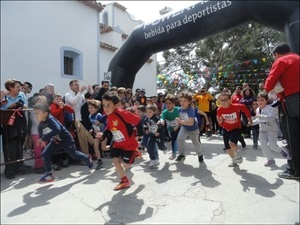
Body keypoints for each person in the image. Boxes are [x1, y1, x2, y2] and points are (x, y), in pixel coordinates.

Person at [264, 43, 300, 179]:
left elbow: (269, 85)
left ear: (277, 54)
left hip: (292, 104)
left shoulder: (281, 61)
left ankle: (296, 171)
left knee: (293, 138)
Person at [33, 103, 93, 182]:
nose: (35, 115)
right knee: (45, 154)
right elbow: (40, 128)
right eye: (35, 113)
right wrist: (41, 138)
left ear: (45, 114)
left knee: (74, 155)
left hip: (66, 140)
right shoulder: (41, 122)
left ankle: (87, 157)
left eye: (37, 113)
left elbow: (57, 129)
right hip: (56, 141)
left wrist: (44, 138)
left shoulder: (50, 119)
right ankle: (49, 174)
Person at [97, 92, 141, 190]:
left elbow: (137, 120)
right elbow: (109, 127)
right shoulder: (109, 115)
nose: (106, 108)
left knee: (126, 166)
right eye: (104, 105)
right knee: (115, 161)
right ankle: (125, 181)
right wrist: (103, 135)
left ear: (116, 105)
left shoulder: (122, 113)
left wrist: (140, 134)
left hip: (129, 145)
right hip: (118, 143)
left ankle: (135, 152)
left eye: (108, 105)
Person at [1, 79, 30, 179]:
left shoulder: (21, 95)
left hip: (20, 121)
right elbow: (2, 107)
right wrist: (10, 107)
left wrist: (21, 105)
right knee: (10, 148)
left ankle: (19, 166)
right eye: (17, 87)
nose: (19, 88)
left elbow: (26, 106)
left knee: (19, 144)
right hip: (8, 124)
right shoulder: (4, 96)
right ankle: (9, 170)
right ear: (10, 88)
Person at [253, 92, 288, 166]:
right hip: (262, 131)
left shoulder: (270, 108)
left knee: (272, 145)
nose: (260, 102)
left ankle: (280, 150)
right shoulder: (257, 109)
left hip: (271, 130)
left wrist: (261, 116)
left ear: (267, 100)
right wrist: (251, 123)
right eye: (258, 100)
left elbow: (271, 118)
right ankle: (270, 159)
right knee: (263, 146)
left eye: (262, 100)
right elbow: (259, 120)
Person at [216, 92, 252, 167]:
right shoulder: (219, 110)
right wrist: (220, 122)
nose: (223, 102)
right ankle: (233, 160)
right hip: (226, 129)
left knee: (232, 143)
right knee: (228, 148)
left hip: (236, 128)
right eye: (221, 100)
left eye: (225, 100)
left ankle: (238, 155)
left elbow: (244, 107)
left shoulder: (235, 106)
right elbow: (221, 123)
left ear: (230, 100)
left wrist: (249, 118)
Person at [175, 91, 205, 164]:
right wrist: (177, 126)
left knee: (196, 143)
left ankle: (200, 155)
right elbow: (179, 118)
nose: (182, 102)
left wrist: (181, 122)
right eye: (181, 100)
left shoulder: (190, 110)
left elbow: (191, 122)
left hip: (193, 130)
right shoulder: (180, 109)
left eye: (184, 101)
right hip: (184, 128)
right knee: (179, 139)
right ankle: (182, 154)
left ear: (189, 102)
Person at [87, 99, 107, 170]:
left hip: (103, 133)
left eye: (92, 108)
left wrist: (101, 127)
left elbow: (105, 124)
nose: (90, 109)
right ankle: (99, 161)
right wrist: (92, 129)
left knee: (103, 148)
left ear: (96, 108)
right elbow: (93, 124)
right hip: (96, 134)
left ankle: (115, 148)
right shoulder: (89, 116)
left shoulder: (99, 116)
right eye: (89, 108)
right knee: (95, 146)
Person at [159, 94, 180, 160]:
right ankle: (176, 152)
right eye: (166, 103)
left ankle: (174, 154)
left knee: (175, 139)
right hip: (171, 129)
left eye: (169, 103)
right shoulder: (165, 112)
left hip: (179, 127)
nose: (168, 105)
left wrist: (177, 126)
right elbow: (162, 119)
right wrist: (161, 122)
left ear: (173, 104)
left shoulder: (178, 110)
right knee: (173, 140)